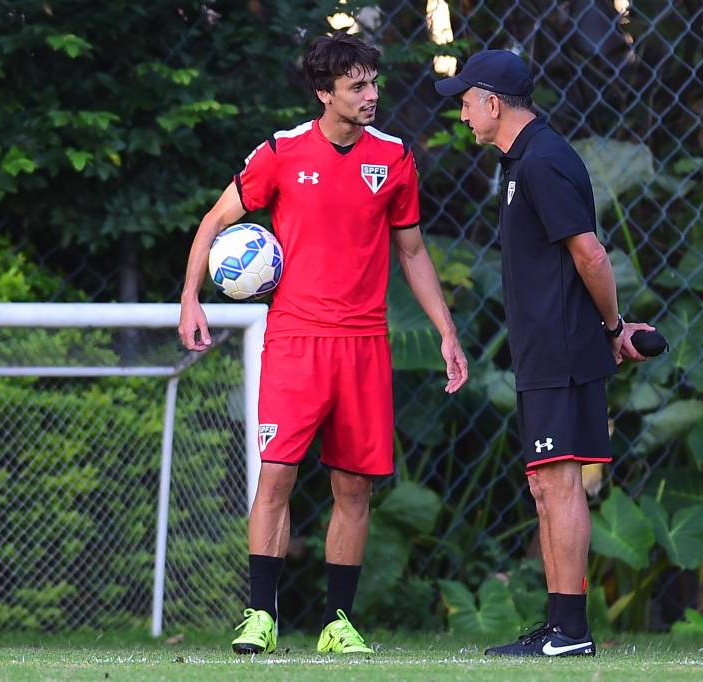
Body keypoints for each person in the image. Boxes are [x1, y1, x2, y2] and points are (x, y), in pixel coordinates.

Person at [179, 34, 469, 655]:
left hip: (365, 343)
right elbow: (213, 222)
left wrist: (446, 330)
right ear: (324, 93)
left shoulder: (394, 158)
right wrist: (190, 299)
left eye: (373, 83)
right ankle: (260, 616)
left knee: (354, 487)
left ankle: (338, 625)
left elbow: (412, 251)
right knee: (276, 476)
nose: (372, 96)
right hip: (295, 339)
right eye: (357, 87)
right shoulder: (281, 153)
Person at [435, 50, 652, 657]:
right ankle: (562, 627)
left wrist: (612, 326)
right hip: (544, 351)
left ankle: (571, 634)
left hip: (561, 348)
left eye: (465, 102)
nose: (462, 116)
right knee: (545, 487)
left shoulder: (543, 163)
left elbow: (591, 254)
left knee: (558, 486)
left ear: (493, 102)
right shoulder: (522, 162)